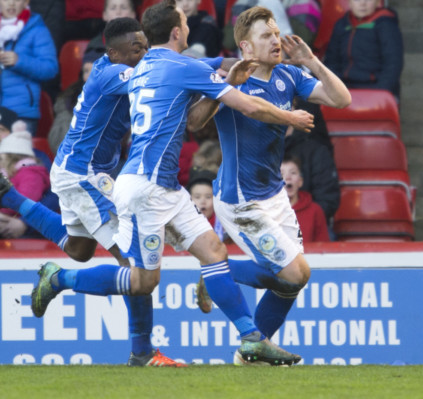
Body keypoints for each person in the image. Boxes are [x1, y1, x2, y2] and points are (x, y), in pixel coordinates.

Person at [31, 0, 315, 367]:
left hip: (163, 185)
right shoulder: (178, 65)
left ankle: (251, 339)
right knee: (143, 281)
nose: (189, 25)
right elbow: (248, 106)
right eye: (184, 21)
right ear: (178, 31)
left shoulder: (144, 66)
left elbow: (198, 91)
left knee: (213, 250)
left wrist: (226, 70)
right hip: (144, 189)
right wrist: (288, 114)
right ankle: (61, 280)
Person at [0, 17, 187, 367]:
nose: (144, 54)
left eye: (146, 47)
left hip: (76, 171)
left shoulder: (114, 68)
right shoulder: (110, 74)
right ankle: (142, 351)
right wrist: (213, 68)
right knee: (134, 266)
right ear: (114, 52)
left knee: (80, 249)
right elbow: (160, 77)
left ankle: (12, 199)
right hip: (84, 175)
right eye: (137, 49)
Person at [188, 6, 350, 364]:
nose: (276, 41)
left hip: (273, 193)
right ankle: (217, 273)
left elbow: (342, 99)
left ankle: (251, 354)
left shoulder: (290, 76)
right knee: (295, 271)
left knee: (292, 283)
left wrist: (313, 63)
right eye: (266, 36)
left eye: (276, 34)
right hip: (241, 199)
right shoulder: (232, 80)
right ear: (246, 47)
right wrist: (228, 86)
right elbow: (196, 121)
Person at [324, 0, 403, 100]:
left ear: (378, 2)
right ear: (349, 2)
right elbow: (332, 61)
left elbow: (393, 64)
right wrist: (335, 87)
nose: (362, 3)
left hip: (375, 87)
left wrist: (381, 91)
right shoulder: (342, 25)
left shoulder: (386, 24)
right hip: (344, 87)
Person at [0, 0, 59, 135]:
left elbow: (50, 68)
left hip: (21, 112)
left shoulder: (37, 29)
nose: (11, 3)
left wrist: (19, 61)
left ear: (26, 1)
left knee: (17, 156)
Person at [285, 100, 340, 222]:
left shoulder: (315, 150)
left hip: (309, 226)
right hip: (267, 228)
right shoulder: (255, 148)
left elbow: (327, 200)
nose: (280, 109)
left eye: (286, 104)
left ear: (296, 109)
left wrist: (303, 220)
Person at [47, 49, 103, 155]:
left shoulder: (121, 98)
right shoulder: (69, 100)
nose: (89, 77)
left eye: (95, 71)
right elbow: (57, 140)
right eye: (86, 71)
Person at [0, 129, 49, 238]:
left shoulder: (31, 175)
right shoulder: (13, 173)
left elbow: (23, 203)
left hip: (16, 223)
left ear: (11, 158)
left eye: (1, 158)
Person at [281, 154, 329, 242]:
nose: (288, 178)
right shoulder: (267, 212)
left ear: (300, 181)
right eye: (281, 174)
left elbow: (323, 249)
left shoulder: (315, 210)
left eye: (293, 173)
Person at [188, 167, 228, 242]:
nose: (203, 201)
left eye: (208, 197)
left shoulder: (226, 226)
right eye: (197, 197)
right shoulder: (181, 224)